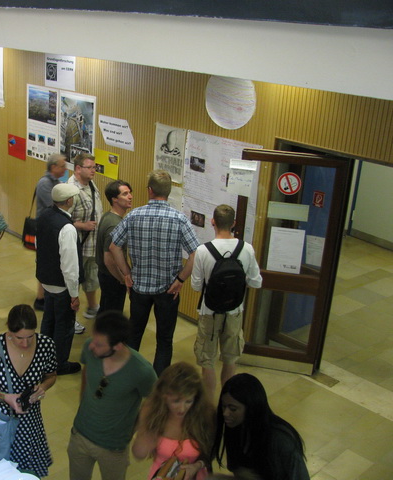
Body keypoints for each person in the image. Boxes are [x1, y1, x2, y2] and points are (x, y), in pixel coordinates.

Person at [110, 170, 199, 375]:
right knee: (164, 340)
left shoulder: (133, 215)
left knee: (134, 335)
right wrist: (180, 279)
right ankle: (159, 383)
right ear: (169, 191)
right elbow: (196, 254)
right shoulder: (179, 219)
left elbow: (114, 246)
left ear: (149, 190)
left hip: (139, 288)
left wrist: (127, 273)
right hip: (168, 290)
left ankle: (128, 377)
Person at [67, 311, 157, 480]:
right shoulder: (89, 348)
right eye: (93, 339)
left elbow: (154, 400)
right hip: (80, 436)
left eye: (99, 344)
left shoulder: (141, 371)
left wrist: (135, 429)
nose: (92, 346)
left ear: (118, 346)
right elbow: (86, 374)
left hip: (113, 448)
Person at [0, 304, 57, 477]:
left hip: (29, 421)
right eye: (19, 338)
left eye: (30, 336)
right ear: (9, 330)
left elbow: (51, 376)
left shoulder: (46, 345)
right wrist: (4, 396)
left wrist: (42, 388)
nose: (25, 343)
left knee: (25, 469)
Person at [190, 205, 263, 402]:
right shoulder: (246, 249)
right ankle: (227, 403)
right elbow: (256, 282)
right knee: (230, 360)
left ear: (213, 222)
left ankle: (208, 406)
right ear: (234, 224)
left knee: (208, 361)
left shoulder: (203, 250)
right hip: (235, 311)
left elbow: (196, 286)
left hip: (209, 312)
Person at [211, 373, 310, 480]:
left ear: (251, 408)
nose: (225, 413)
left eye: (233, 409)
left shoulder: (281, 440)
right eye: (223, 406)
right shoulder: (235, 429)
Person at [132, 362, 215, 480]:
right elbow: (139, 454)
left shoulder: (205, 414)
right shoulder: (152, 411)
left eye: (188, 401)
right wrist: (145, 432)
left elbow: (211, 450)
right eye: (176, 401)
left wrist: (197, 465)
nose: (182, 409)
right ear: (163, 395)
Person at [36, 183, 83, 375]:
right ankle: (60, 364)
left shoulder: (44, 216)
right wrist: (74, 294)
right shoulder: (67, 228)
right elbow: (70, 267)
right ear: (69, 201)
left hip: (46, 279)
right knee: (64, 326)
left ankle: (43, 357)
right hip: (62, 285)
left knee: (48, 320)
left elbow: (40, 246)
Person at [68, 153, 103, 331]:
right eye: (89, 167)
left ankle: (92, 307)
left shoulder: (90, 183)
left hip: (92, 246)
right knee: (73, 284)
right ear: (78, 169)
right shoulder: (70, 191)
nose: (93, 171)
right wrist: (83, 225)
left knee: (91, 277)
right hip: (77, 247)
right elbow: (63, 220)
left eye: (94, 167)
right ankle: (70, 319)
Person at [33, 153, 67, 312]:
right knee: (44, 262)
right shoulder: (45, 184)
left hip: (53, 229)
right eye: (62, 166)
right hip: (45, 231)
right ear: (54, 167)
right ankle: (40, 298)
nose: (65, 168)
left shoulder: (57, 182)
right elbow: (54, 206)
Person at [95, 180, 132, 314]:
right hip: (112, 277)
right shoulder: (115, 225)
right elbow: (109, 260)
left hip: (105, 275)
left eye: (130, 193)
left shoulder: (108, 216)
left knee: (105, 309)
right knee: (113, 315)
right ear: (114, 199)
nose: (130, 196)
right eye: (125, 194)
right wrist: (122, 279)